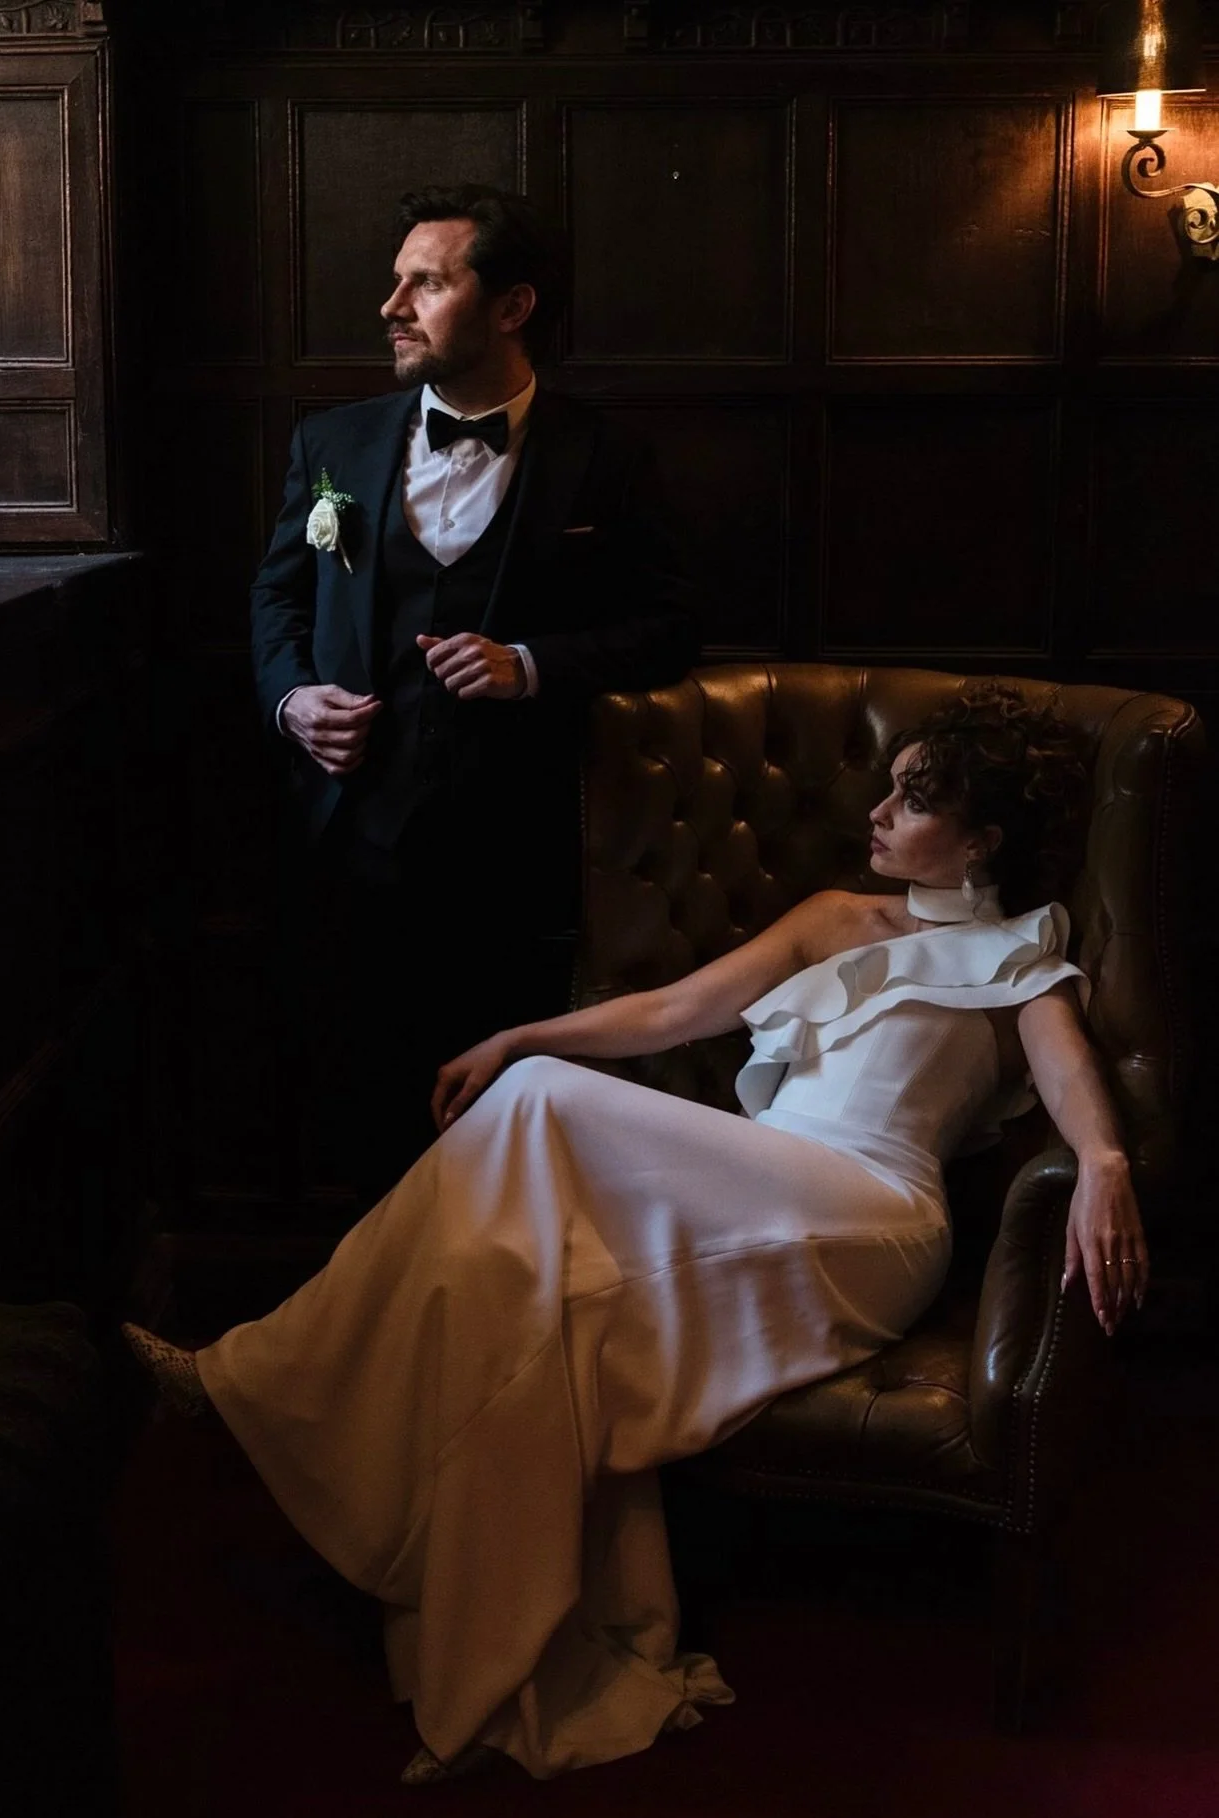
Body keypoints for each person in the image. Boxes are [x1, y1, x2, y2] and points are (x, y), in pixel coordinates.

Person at [125, 685, 1148, 1783]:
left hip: (873, 1218)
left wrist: (1101, 1161)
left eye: (912, 804)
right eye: (887, 790)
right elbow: (672, 1012)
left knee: (535, 1102)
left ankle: (263, 1375)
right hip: (765, 1185)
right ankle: (491, 1666)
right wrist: (520, 1029)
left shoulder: (1020, 959)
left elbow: (1067, 1071)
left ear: (980, 840)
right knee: (514, 1281)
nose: (878, 814)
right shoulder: (829, 916)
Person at [251, 183, 699, 1197]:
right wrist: (292, 702)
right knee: (354, 1110)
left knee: (500, 1125)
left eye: (426, 283)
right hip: (345, 842)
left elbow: (671, 627)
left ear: (511, 308)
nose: (390, 306)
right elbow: (276, 601)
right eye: (396, 281)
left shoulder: (607, 456)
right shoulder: (333, 446)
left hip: (519, 855)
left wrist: (530, 665)